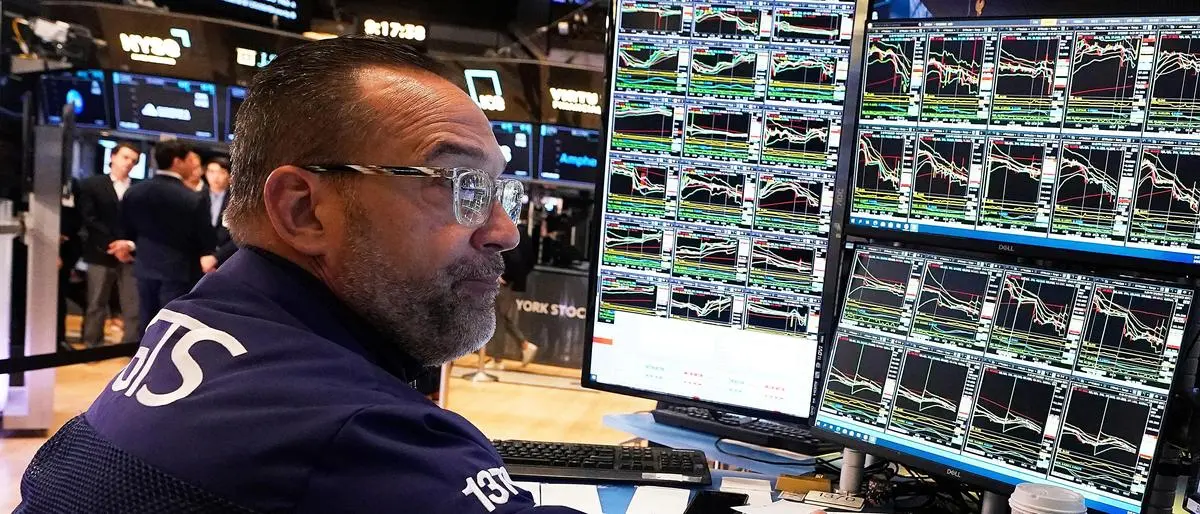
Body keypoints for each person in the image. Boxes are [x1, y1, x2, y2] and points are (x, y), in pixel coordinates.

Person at [18, 36, 581, 513]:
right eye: (458, 184)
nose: (505, 230)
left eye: (496, 191)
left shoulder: (202, 324)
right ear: (302, 210)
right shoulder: (358, 434)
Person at [118, 141, 217, 338]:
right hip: (179, 270)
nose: (193, 164)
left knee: (145, 320)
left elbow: (126, 230)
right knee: (171, 324)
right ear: (177, 162)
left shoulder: (134, 192)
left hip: (144, 265)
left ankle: (142, 362)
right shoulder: (192, 199)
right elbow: (205, 239)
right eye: (189, 160)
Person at [75, 142, 141, 347]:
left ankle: (129, 346)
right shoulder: (91, 185)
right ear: (112, 157)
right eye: (125, 157)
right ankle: (91, 344)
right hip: (100, 251)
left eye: (133, 161)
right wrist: (113, 245)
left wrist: (128, 244)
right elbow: (89, 219)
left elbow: (143, 222)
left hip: (130, 254)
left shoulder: (139, 188)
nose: (129, 163)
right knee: (96, 302)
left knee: (132, 304)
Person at [203, 157, 238, 266]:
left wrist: (216, 257)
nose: (215, 177)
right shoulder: (196, 197)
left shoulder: (236, 202)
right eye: (211, 171)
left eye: (221, 172)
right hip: (199, 261)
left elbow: (239, 236)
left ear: (229, 176)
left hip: (225, 259)